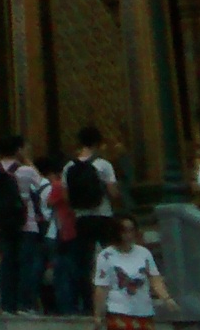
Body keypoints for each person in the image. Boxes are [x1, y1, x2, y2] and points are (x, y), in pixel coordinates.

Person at [0, 135, 44, 317]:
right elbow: (42, 184)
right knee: (26, 265)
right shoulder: (26, 171)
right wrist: (27, 161)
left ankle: (7, 305)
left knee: (7, 263)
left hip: (5, 224)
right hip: (27, 222)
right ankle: (24, 304)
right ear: (18, 149)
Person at [65, 127, 118, 308]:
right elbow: (113, 192)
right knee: (111, 255)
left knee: (83, 261)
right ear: (97, 143)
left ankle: (88, 302)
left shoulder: (69, 167)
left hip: (81, 218)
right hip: (102, 215)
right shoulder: (103, 164)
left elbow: (66, 197)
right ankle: (113, 297)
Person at [94, 217, 171, 327]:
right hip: (118, 311)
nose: (128, 235)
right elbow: (102, 287)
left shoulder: (144, 253)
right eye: (124, 231)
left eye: (131, 230)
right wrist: (98, 315)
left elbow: (154, 278)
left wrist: (166, 298)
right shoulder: (106, 256)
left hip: (144, 311)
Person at [35, 154, 79, 315]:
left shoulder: (57, 186)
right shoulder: (69, 186)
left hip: (56, 233)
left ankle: (61, 306)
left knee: (59, 272)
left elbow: (49, 204)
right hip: (71, 231)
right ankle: (71, 305)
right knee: (69, 270)